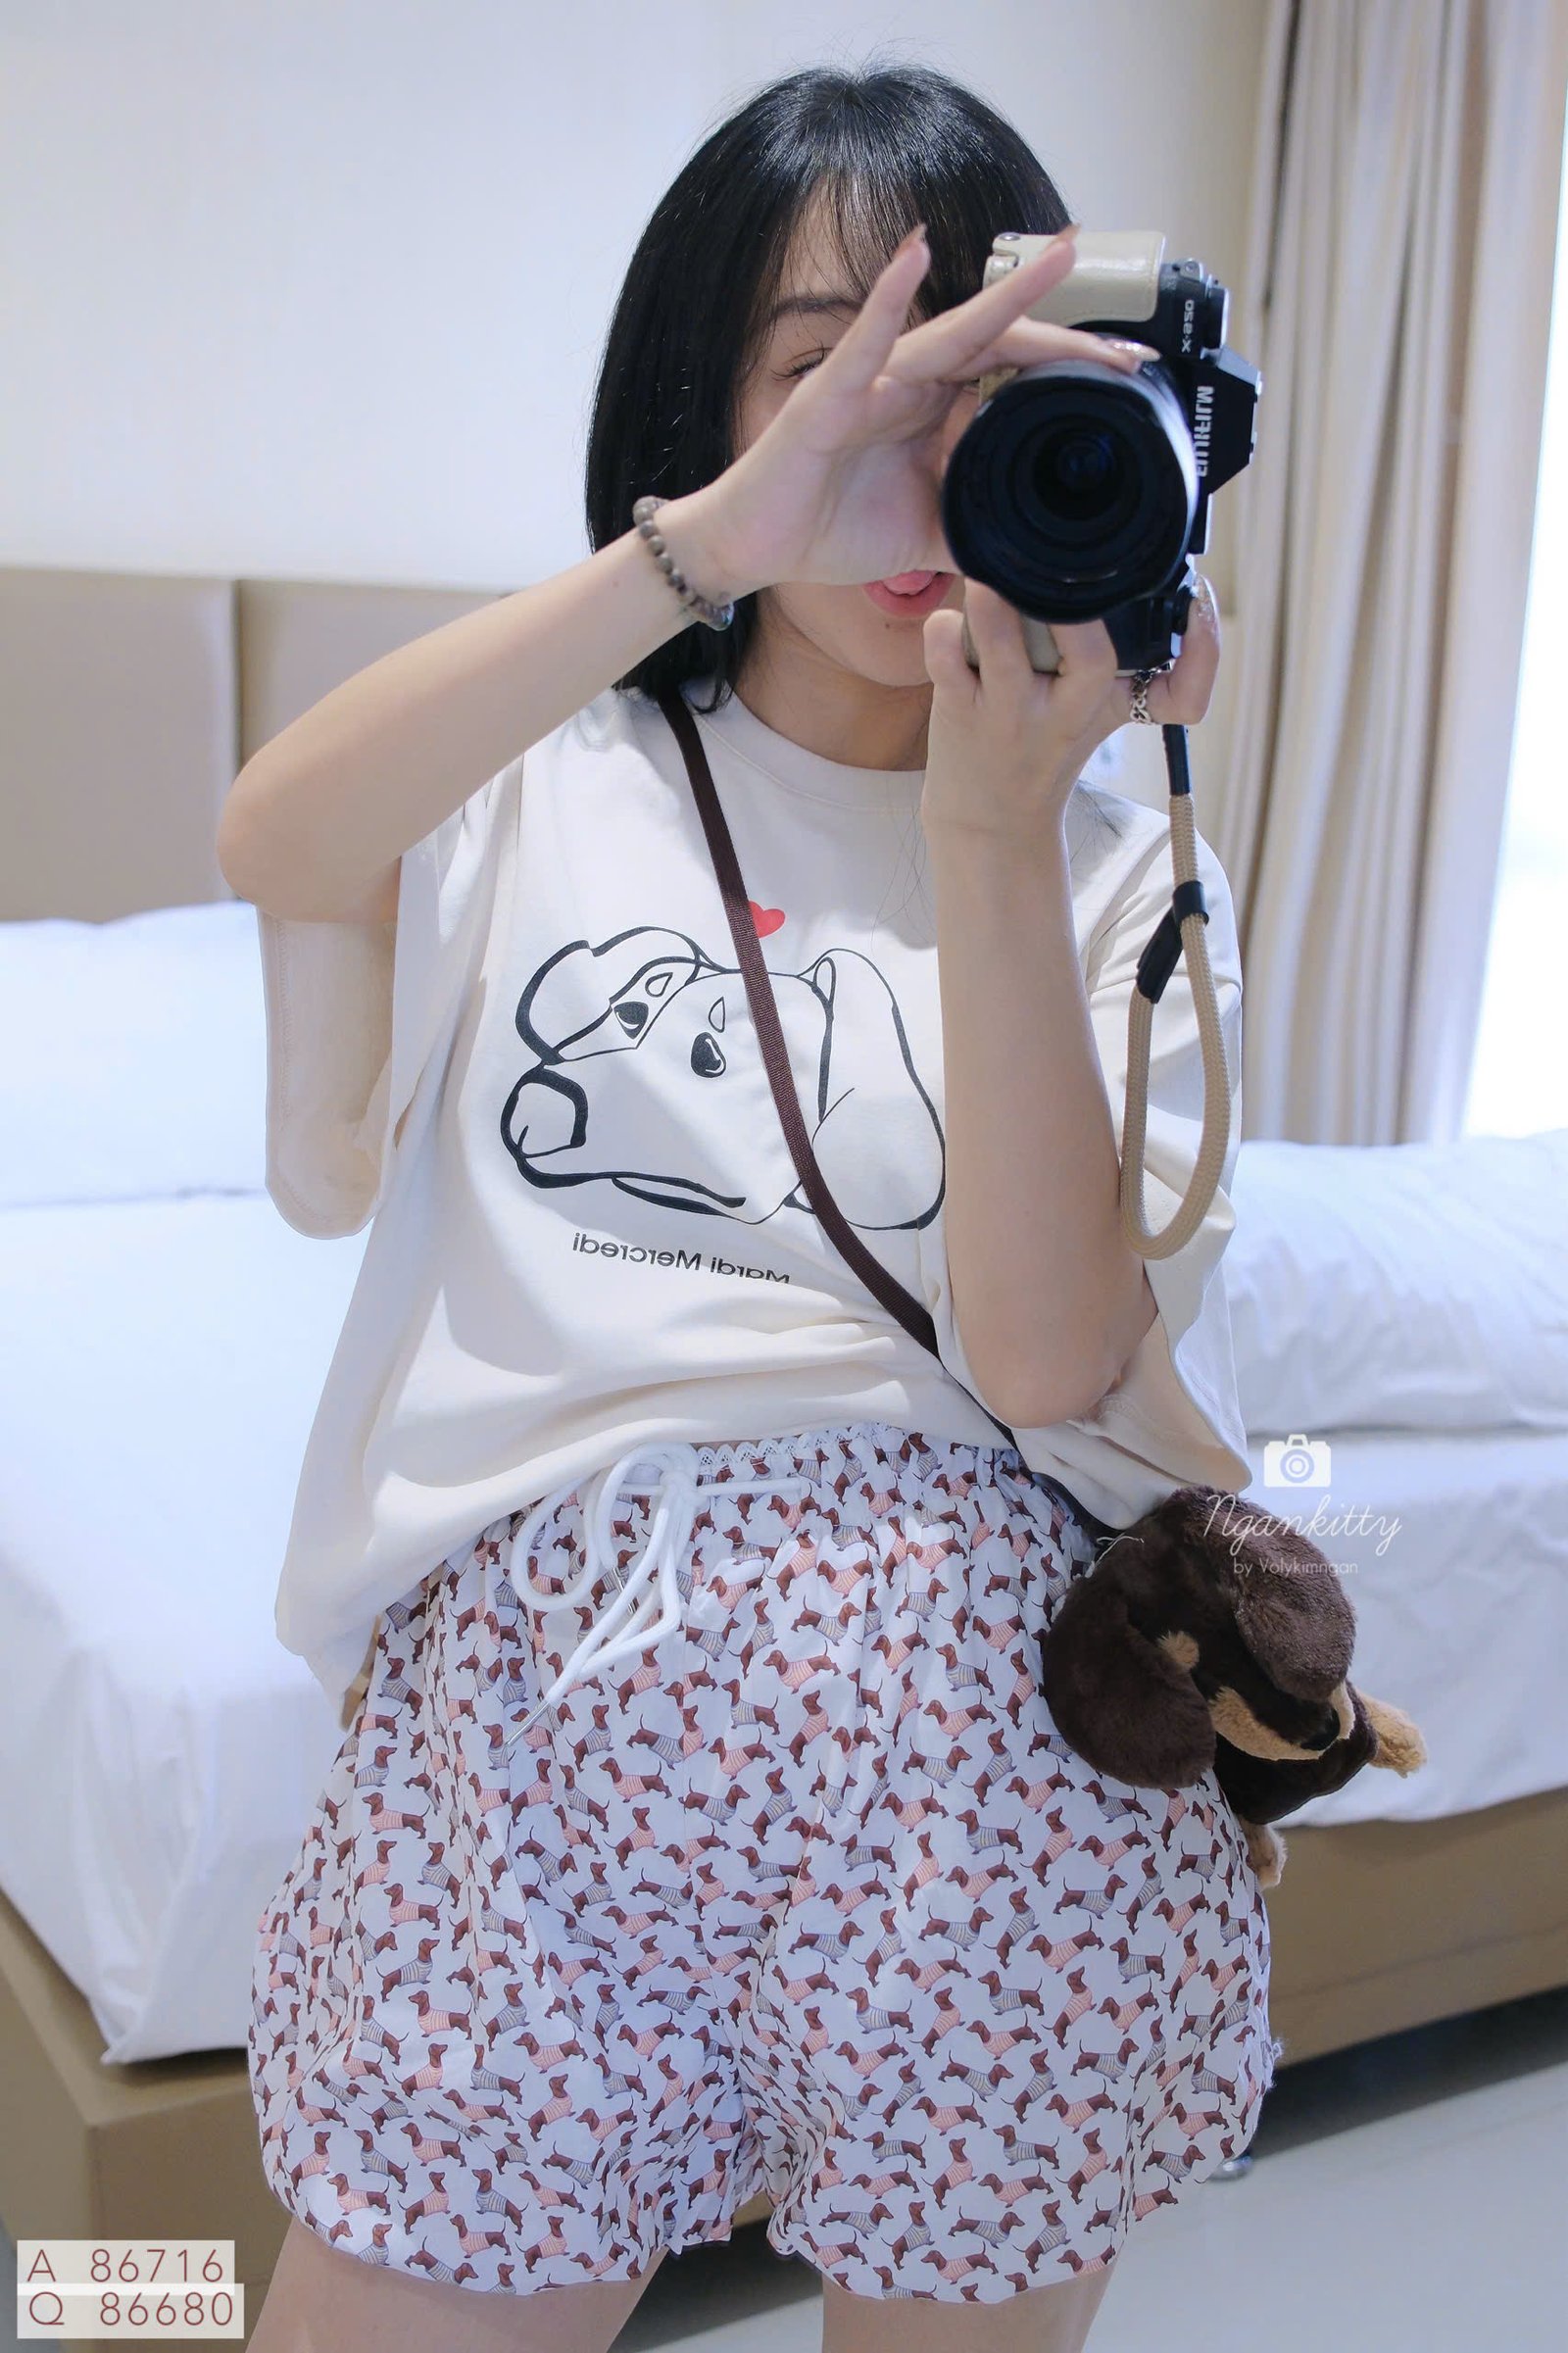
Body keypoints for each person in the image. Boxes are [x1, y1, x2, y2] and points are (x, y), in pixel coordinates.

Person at [226, 59, 1272, 2353]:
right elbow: (278, 832)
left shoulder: (1117, 876)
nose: (913, 455)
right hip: (531, 1773)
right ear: (708, 407)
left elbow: (1041, 1354)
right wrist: (699, 545)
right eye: (839, 377)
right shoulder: (535, 775)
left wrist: (996, 824)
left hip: (994, 1790)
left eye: (981, 390)